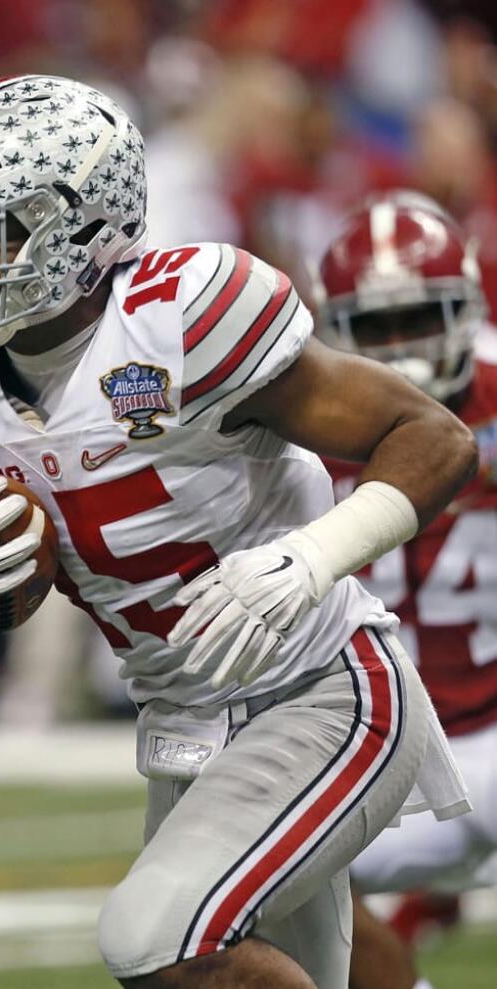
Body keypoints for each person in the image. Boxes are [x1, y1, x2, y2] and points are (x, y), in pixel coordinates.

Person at [0, 74, 475, 989]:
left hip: (324, 687)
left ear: (75, 231)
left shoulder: (183, 316)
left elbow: (435, 436)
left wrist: (311, 557)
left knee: (160, 938)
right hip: (182, 724)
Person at [311, 191, 497, 989]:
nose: (402, 348)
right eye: (377, 327)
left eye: (421, 318)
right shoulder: (297, 415)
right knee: (268, 878)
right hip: (388, 746)